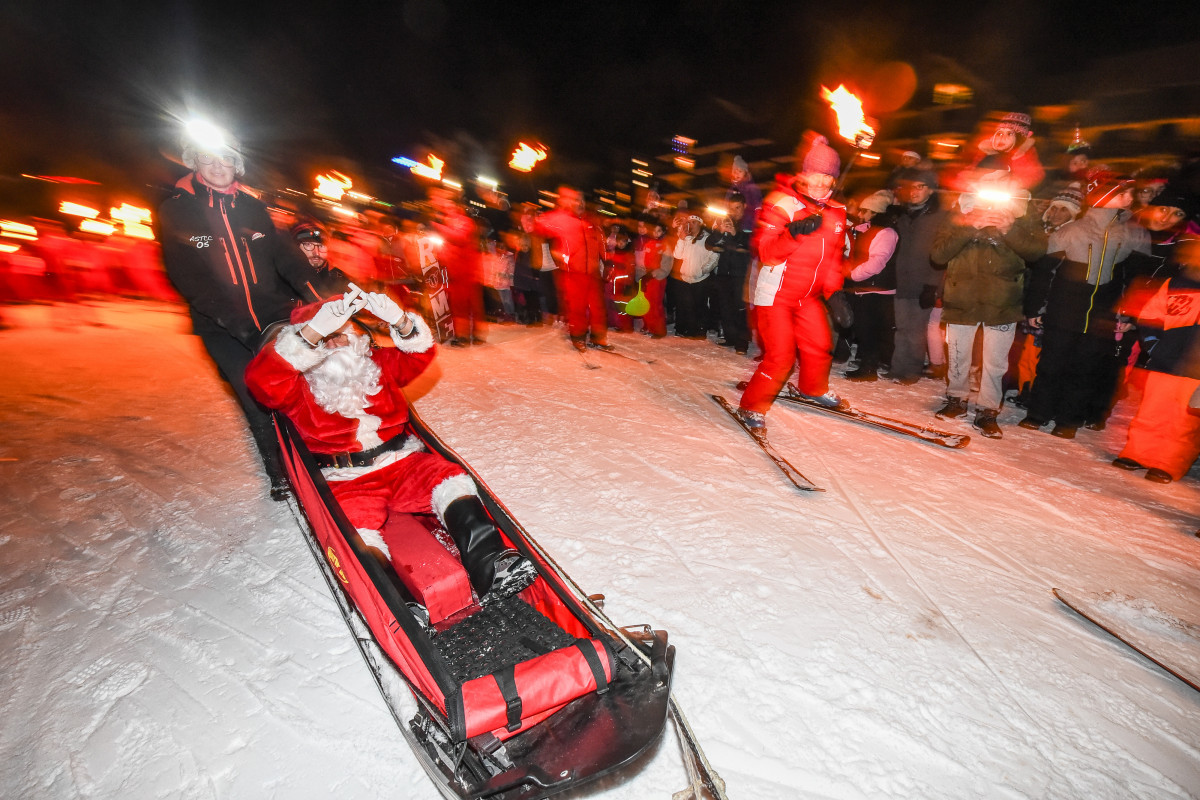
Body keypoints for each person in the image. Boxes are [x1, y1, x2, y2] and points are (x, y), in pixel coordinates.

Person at [244, 286, 537, 600]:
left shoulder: (375, 363)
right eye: (325, 339)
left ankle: (490, 564)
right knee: (354, 533)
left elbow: (418, 355)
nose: (335, 344)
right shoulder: (298, 385)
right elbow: (261, 382)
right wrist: (311, 334)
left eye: (340, 334)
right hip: (347, 480)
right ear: (309, 348)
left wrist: (401, 321)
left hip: (403, 464)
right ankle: (398, 602)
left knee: (450, 479)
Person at [157, 123, 350, 499]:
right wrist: (237, 325)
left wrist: (326, 305)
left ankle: (321, 457)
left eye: (226, 158)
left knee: (304, 383)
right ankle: (278, 470)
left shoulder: (252, 208)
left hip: (272, 316)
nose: (217, 165)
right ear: (196, 162)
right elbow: (189, 277)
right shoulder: (178, 211)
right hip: (221, 326)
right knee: (255, 395)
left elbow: (288, 261)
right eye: (208, 159)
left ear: (237, 164)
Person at [1022, 172, 1152, 438]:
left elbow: (1139, 279)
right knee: (1051, 363)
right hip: (1064, 309)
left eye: (1130, 192)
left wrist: (1129, 314)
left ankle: (1068, 420)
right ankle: (1038, 412)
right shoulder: (1072, 231)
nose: (1130, 197)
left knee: (1086, 367)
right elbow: (1046, 272)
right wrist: (1035, 308)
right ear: (1103, 195)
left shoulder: (1133, 234)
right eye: (1122, 192)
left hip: (1102, 314)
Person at [736, 133, 848, 430]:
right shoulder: (782, 204)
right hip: (776, 294)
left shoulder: (837, 212)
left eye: (828, 176)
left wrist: (835, 292)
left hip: (808, 296)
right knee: (781, 356)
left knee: (819, 345)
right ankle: (752, 406)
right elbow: (767, 253)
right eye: (815, 174)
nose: (821, 183)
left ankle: (813, 388)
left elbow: (833, 258)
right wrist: (793, 233)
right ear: (804, 172)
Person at [930, 172, 1048, 438]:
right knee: (958, 355)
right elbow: (938, 254)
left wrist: (1009, 229)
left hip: (1002, 301)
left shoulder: (1022, 215)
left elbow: (1037, 252)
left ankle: (987, 409)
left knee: (995, 362)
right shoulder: (960, 213)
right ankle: (956, 398)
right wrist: (970, 225)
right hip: (962, 299)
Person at [1112, 233, 1200, 483]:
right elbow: (1151, 315)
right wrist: (1152, 343)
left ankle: (1168, 463)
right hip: (1165, 360)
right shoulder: (1175, 283)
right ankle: (1137, 453)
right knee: (1151, 411)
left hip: (1196, 369)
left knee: (1183, 420)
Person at [888, 167, 948, 383]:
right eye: (910, 187)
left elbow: (943, 254)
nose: (914, 191)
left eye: (920, 186)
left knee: (916, 331)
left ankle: (911, 370)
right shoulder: (902, 216)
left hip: (924, 283)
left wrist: (933, 286)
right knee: (901, 328)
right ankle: (898, 368)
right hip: (901, 282)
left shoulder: (940, 217)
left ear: (931, 190)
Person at [534, 185, 611, 351]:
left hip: (592, 272)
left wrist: (607, 261)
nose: (580, 203)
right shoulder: (562, 219)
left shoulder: (591, 221)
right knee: (577, 307)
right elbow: (540, 226)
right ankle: (578, 336)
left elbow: (601, 243)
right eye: (576, 200)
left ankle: (599, 336)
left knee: (597, 306)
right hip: (573, 272)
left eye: (581, 200)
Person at [842, 189, 899, 381]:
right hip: (865, 287)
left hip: (876, 289)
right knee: (864, 329)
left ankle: (869, 368)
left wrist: (852, 275)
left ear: (875, 212)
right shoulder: (867, 230)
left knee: (870, 329)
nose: (860, 214)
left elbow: (877, 262)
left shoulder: (886, 233)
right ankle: (866, 364)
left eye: (864, 211)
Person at [428, 187, 485, 346]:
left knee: (468, 303)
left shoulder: (464, 221)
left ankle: (470, 333)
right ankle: (460, 333)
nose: (446, 209)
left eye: (449, 206)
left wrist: (437, 226)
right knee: (456, 302)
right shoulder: (447, 221)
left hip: (466, 269)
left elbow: (459, 237)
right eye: (445, 207)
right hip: (452, 268)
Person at [706, 194, 753, 354]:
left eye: (738, 208)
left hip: (740, 272)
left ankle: (742, 342)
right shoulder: (723, 222)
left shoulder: (749, 224)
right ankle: (730, 336)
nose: (734, 212)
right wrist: (720, 232)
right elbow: (709, 243)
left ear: (744, 207)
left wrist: (734, 235)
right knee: (725, 306)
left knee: (740, 308)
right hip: (724, 272)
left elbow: (749, 246)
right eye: (731, 208)